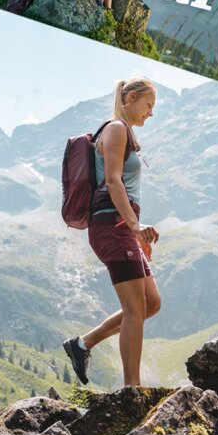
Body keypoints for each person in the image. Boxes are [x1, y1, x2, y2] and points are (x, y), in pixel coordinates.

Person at [63, 78, 161, 388]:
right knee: (135, 309)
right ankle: (133, 389)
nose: (150, 113)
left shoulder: (124, 132)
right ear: (131, 98)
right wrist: (134, 227)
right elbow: (114, 181)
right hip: (112, 226)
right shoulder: (117, 129)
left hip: (122, 227)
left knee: (151, 302)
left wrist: (136, 235)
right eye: (148, 105)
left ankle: (82, 344)